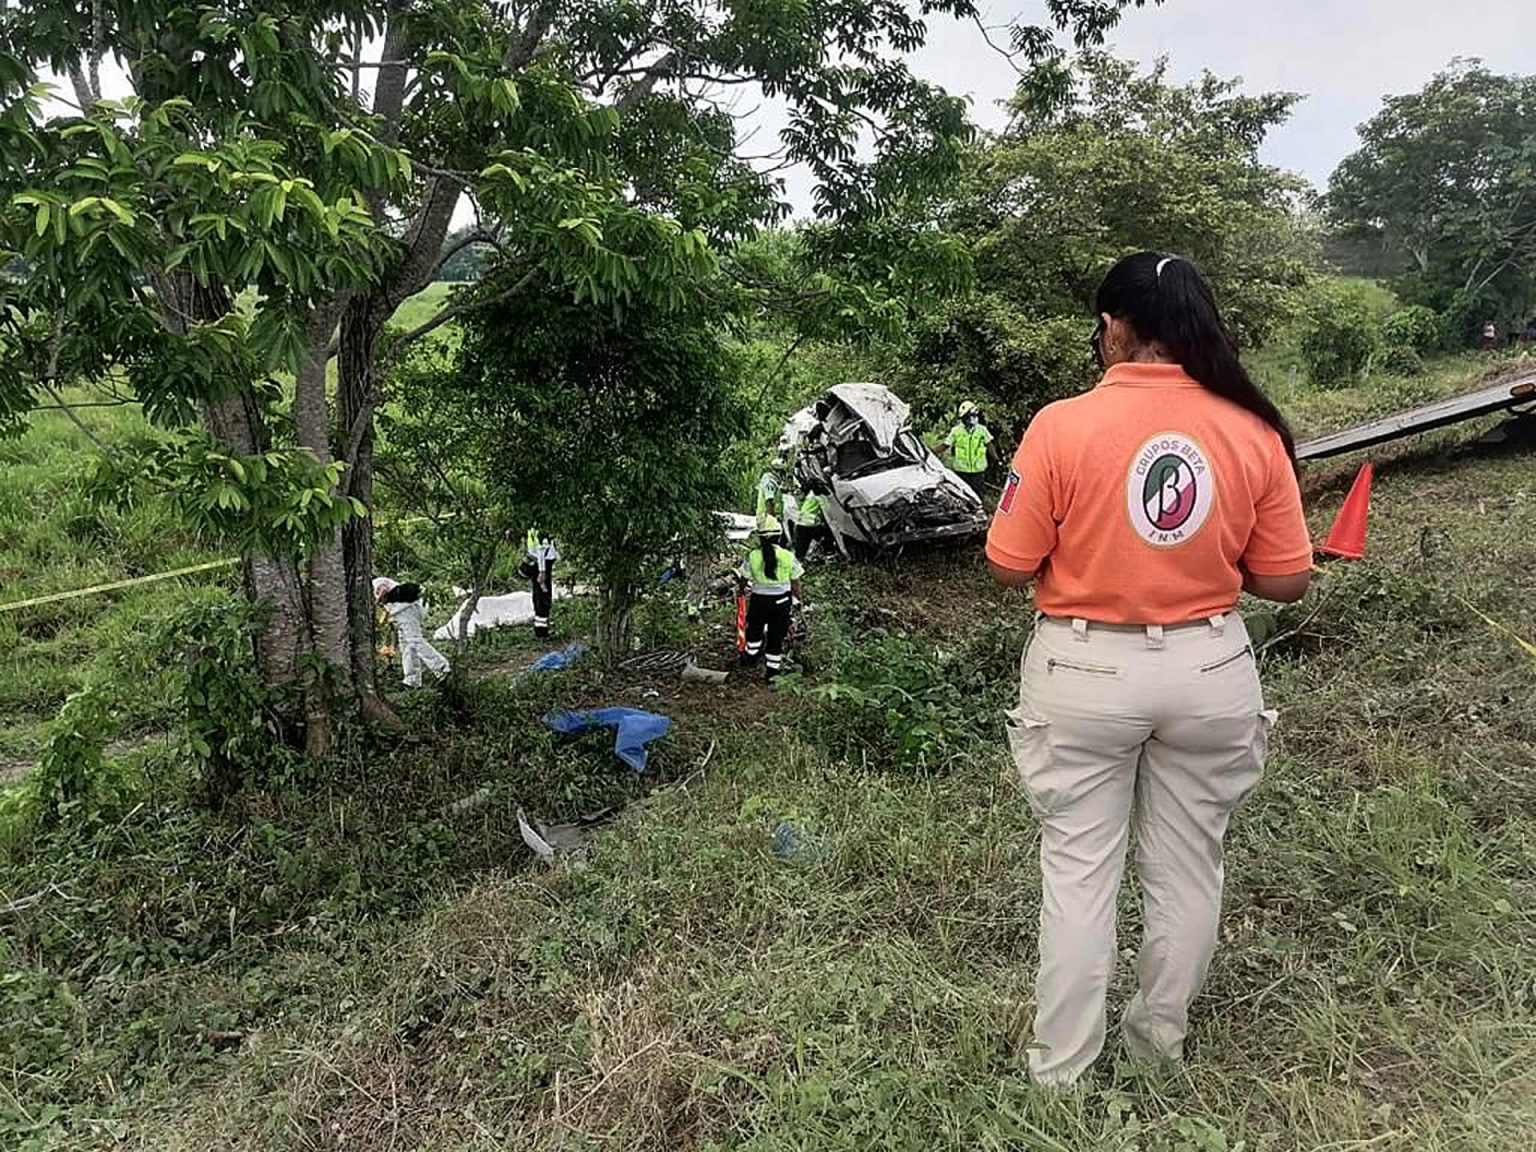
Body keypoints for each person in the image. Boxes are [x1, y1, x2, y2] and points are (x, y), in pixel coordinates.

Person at [986, 252, 1312, 1087]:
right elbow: (1285, 579)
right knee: (1189, 867)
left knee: (1080, 869)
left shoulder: (1061, 425)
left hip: (1085, 669)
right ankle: (1158, 1050)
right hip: (1210, 667)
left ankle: (1060, 1071)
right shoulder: (1252, 427)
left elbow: (1008, 565)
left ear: (1113, 328)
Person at [736, 514, 805, 679]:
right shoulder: (788, 556)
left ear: (760, 538)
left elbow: (744, 578)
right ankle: (772, 671)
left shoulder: (753, 556)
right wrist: (798, 601)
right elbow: (795, 582)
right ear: (779, 536)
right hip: (781, 603)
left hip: (759, 602)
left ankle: (750, 658)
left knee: (754, 631)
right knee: (776, 635)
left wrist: (740, 592)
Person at [373, 576, 451, 688]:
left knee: (414, 641)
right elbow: (391, 626)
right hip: (400, 612)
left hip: (406, 609)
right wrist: (392, 646)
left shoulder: (375, 582)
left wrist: (376, 602)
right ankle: (412, 680)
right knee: (406, 645)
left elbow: (383, 590)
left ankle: (442, 668)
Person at [942, 400, 995, 496]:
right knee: (963, 495)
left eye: (974, 415)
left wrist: (996, 459)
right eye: (970, 416)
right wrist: (930, 452)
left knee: (977, 494)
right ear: (964, 418)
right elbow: (945, 445)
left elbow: (989, 444)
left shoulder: (982, 430)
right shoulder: (956, 431)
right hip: (961, 470)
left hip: (978, 470)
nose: (973, 418)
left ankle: (978, 510)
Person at [524, 528, 559, 639]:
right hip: (542, 566)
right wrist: (542, 571)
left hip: (538, 564)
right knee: (543, 598)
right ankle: (542, 632)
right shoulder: (541, 530)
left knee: (539, 596)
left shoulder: (532, 529)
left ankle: (541, 629)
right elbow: (541, 551)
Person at [792, 487, 831, 559]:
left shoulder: (810, 495)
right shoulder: (819, 495)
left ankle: (799, 562)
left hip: (801, 522)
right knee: (828, 535)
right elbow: (826, 509)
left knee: (801, 549)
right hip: (811, 522)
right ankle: (829, 553)